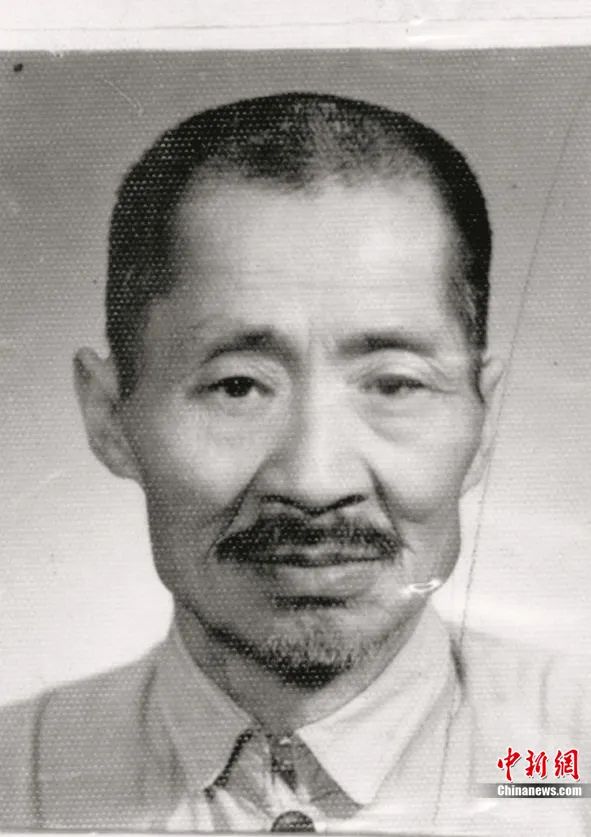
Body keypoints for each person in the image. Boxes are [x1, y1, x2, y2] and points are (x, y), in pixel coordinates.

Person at [0, 92, 588, 835]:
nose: (314, 482)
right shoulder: (14, 781)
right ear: (110, 416)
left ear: (485, 422)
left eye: (393, 385)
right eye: (237, 386)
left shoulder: (570, 762)